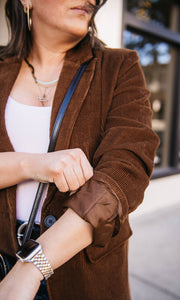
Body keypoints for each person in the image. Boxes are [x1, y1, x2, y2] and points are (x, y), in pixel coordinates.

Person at [0, 0, 159, 299]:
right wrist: (31, 165)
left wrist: (32, 266)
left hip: (83, 275)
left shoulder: (119, 67)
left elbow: (126, 171)